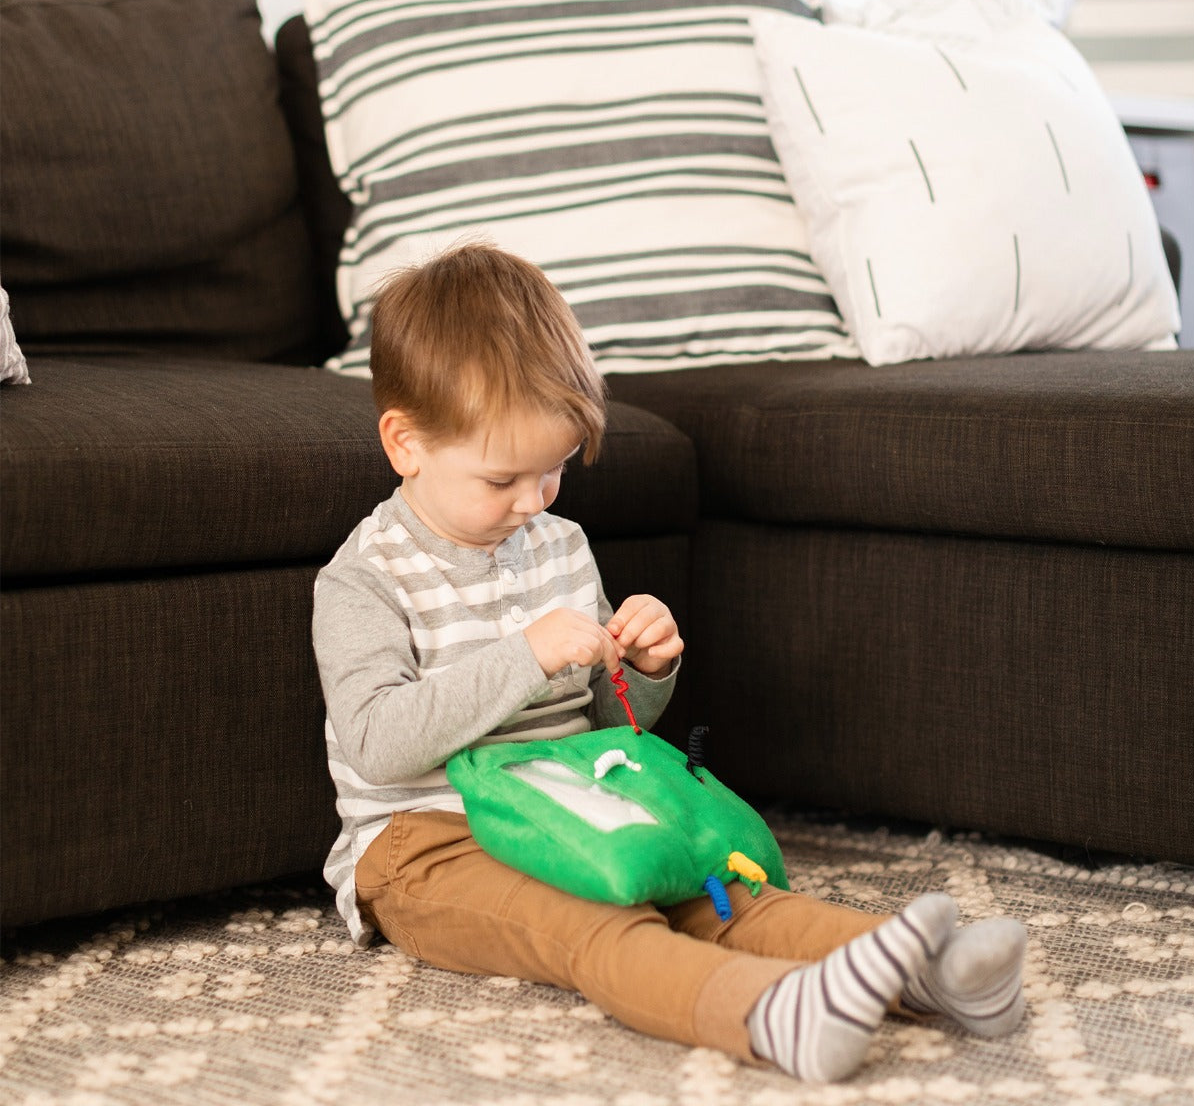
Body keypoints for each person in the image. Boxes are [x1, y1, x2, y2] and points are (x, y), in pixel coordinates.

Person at [312, 242, 1027, 1084]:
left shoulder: (559, 545)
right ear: (405, 444)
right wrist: (526, 655)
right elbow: (377, 742)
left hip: (576, 803)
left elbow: (605, 732)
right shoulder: (363, 578)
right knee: (593, 921)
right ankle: (770, 1016)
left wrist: (643, 673)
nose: (534, 502)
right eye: (503, 478)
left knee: (710, 889)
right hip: (428, 840)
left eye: (554, 472)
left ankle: (926, 970)